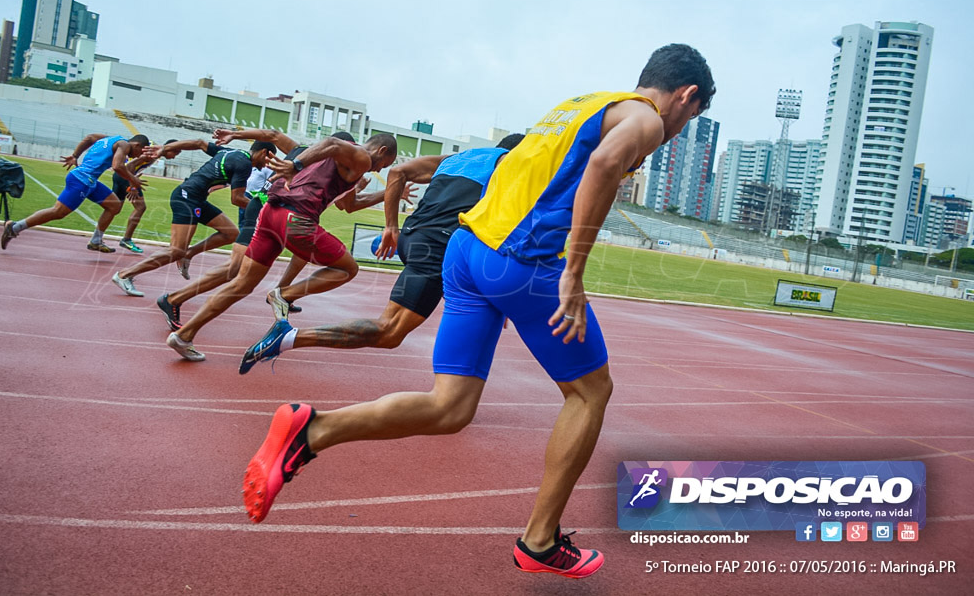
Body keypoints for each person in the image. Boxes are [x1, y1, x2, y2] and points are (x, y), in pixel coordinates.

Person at [240, 44, 715, 580]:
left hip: (466, 252)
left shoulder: (583, 103)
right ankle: (539, 541)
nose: (678, 129)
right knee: (590, 391)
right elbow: (605, 164)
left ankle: (311, 430)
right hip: (522, 261)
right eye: (689, 118)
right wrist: (574, 273)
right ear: (685, 95)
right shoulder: (645, 117)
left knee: (450, 407)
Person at [238, 133, 525, 374]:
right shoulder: (510, 164)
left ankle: (460, 388)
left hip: (413, 238)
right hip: (437, 246)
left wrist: (391, 227)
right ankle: (288, 337)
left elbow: (399, 172)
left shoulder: (458, 158)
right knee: (389, 332)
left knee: (467, 300)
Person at [164, 132, 398, 360]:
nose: (378, 170)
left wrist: (391, 192)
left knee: (241, 283)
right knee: (348, 268)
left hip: (269, 213)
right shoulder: (361, 156)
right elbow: (333, 142)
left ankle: (184, 335)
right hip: (296, 218)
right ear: (381, 150)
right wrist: (295, 165)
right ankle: (284, 294)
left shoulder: (333, 161)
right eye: (384, 164)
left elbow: (350, 205)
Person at [154, 130, 353, 331]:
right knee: (235, 271)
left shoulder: (301, 151)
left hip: (269, 210)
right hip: (268, 210)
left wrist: (233, 134)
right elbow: (350, 205)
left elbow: (273, 135)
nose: (349, 157)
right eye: (348, 152)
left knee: (241, 271)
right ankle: (174, 300)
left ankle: (283, 293)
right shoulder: (325, 163)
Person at [111, 137, 277, 297]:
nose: (268, 165)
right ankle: (125, 275)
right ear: (264, 152)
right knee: (176, 250)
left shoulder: (232, 152)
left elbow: (199, 143)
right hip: (187, 198)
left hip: (196, 198)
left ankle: (188, 255)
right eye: (269, 159)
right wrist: (264, 210)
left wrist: (165, 148)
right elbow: (237, 199)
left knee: (230, 233)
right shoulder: (244, 164)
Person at [0, 133, 152, 252]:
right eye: (140, 152)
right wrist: (133, 180)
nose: (137, 156)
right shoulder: (124, 145)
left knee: (114, 206)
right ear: (137, 144)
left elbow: (90, 137)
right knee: (58, 212)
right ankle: (14, 228)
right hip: (82, 180)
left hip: (90, 181)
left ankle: (96, 241)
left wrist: (75, 156)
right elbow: (117, 166)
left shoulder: (112, 139)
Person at [113, 139, 179, 253]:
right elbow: (130, 166)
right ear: (170, 149)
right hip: (126, 177)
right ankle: (126, 239)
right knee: (140, 207)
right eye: (175, 153)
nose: (174, 157)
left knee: (114, 209)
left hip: (120, 176)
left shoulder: (152, 149)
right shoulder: (152, 154)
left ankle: (97, 238)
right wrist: (133, 186)